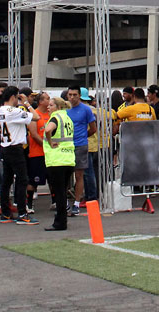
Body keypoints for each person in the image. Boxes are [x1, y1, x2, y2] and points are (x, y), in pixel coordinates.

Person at [0, 86, 39, 225]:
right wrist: (26, 103)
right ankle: (22, 213)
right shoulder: (14, 111)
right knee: (22, 180)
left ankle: (5, 212)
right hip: (15, 147)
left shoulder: (0, 110)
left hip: (5, 146)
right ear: (13, 97)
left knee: (7, 180)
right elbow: (36, 117)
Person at [43, 97, 75, 231]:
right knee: (63, 191)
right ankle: (62, 219)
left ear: (58, 107)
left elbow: (47, 130)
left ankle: (60, 222)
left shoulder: (55, 118)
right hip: (69, 159)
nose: (48, 107)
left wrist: (50, 142)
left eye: (51, 105)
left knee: (59, 193)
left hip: (57, 160)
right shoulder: (67, 118)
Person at [65, 85, 97, 217]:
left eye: (75, 95)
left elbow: (93, 128)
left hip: (80, 146)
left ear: (79, 96)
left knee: (80, 175)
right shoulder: (64, 109)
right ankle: (65, 202)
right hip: (65, 146)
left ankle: (77, 203)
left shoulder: (86, 110)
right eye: (70, 95)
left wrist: (82, 136)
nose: (72, 97)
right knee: (65, 175)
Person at [26, 92, 52, 217]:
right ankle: (29, 204)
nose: (49, 101)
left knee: (52, 178)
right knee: (33, 180)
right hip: (37, 153)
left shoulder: (51, 115)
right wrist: (46, 145)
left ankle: (55, 201)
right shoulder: (34, 115)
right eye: (47, 99)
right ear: (41, 101)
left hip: (50, 153)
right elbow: (34, 134)